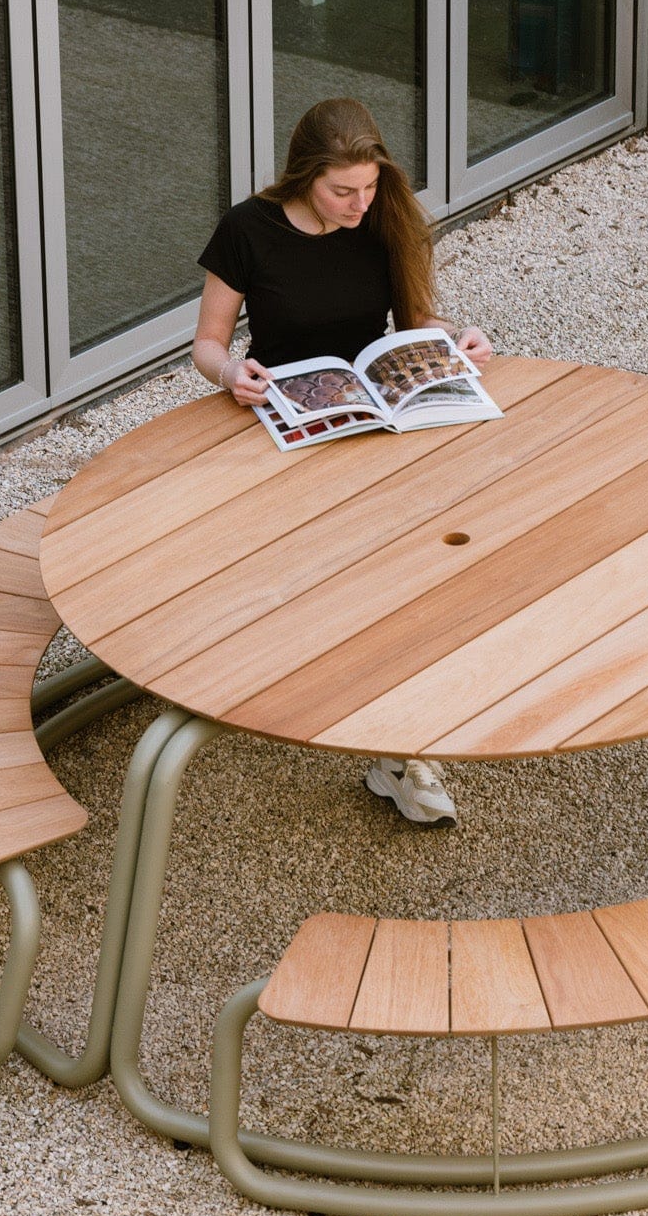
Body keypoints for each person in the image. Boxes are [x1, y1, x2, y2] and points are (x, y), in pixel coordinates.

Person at [193, 98, 493, 828]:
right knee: (316, 584)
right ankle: (351, 717)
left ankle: (401, 749)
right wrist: (231, 375)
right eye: (342, 191)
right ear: (305, 177)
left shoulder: (383, 217)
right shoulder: (247, 229)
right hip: (283, 422)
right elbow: (207, 344)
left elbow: (415, 319)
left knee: (408, 581)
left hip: (379, 419)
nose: (360, 204)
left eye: (369, 186)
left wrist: (456, 339)